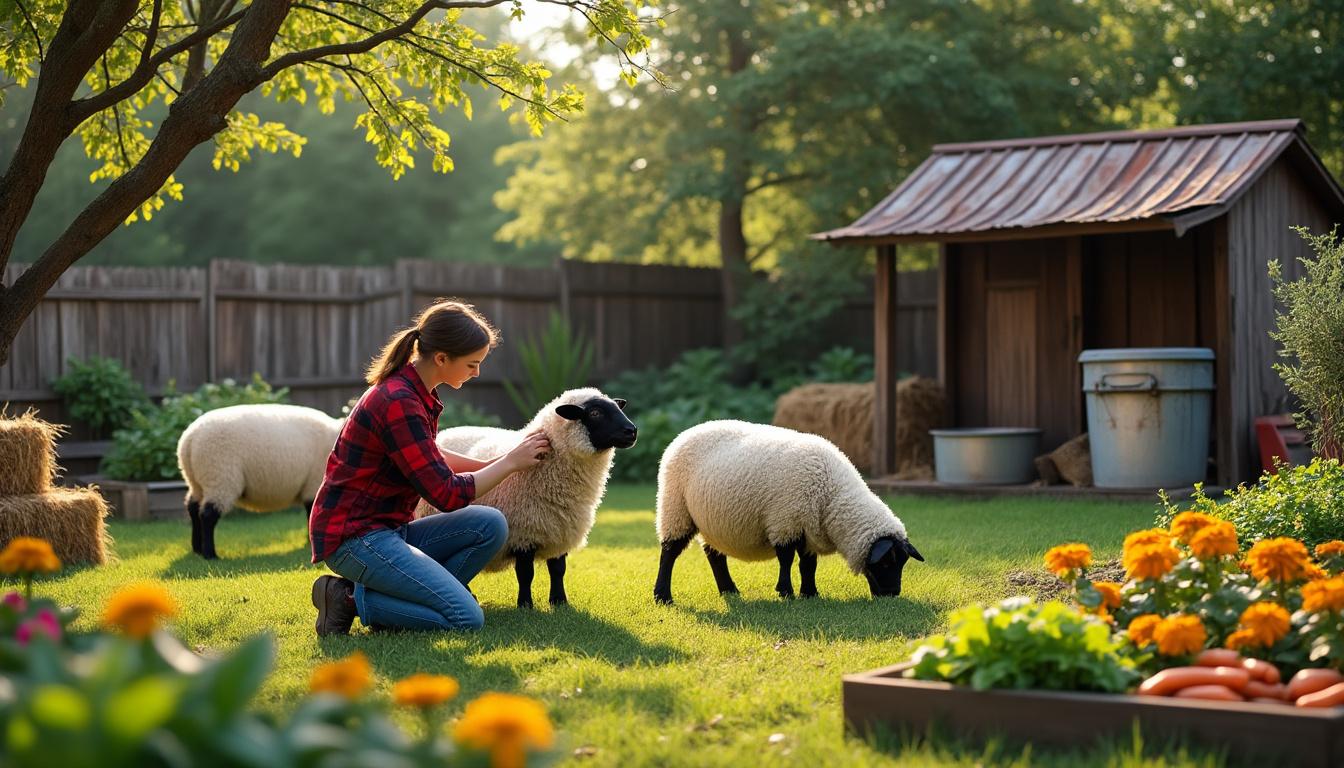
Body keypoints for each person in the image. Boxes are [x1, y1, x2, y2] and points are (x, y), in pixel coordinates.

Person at [309, 299, 549, 636]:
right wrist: (509, 464)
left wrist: (496, 462)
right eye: (472, 364)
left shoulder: (414, 392)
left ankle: (415, 602)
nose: (477, 373)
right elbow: (446, 494)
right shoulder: (399, 401)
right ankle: (348, 598)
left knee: (491, 524)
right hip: (355, 538)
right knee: (466, 618)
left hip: (390, 530)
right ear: (441, 358)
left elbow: (429, 453)